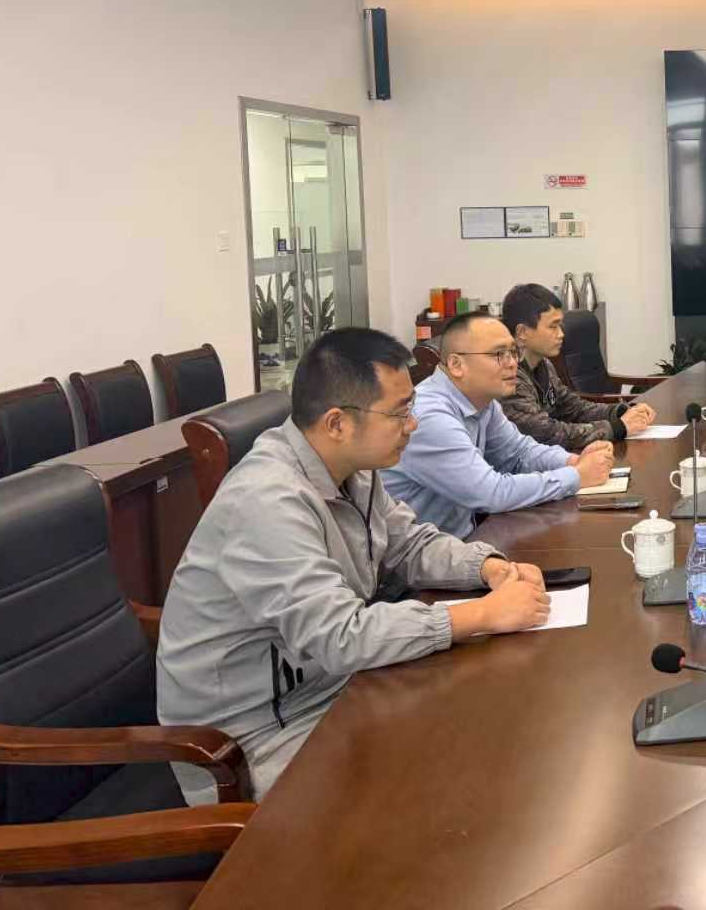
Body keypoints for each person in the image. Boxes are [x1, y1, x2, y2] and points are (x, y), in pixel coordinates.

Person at [156, 328, 550, 804]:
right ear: (337, 423)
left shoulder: (352, 470)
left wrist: (486, 567)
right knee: (443, 776)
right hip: (251, 741)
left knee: (478, 721)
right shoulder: (266, 500)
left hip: (336, 689)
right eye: (400, 413)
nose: (413, 425)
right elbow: (340, 636)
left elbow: (409, 544)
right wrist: (482, 615)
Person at [385, 313, 613, 538]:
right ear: (456, 364)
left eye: (513, 352)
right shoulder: (429, 416)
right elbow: (491, 493)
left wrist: (571, 461)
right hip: (423, 555)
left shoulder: (483, 401)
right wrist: (576, 476)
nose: (513, 363)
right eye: (498, 354)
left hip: (464, 541)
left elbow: (519, 453)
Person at [499, 282, 656, 449]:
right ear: (522, 332)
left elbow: (573, 408)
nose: (561, 334)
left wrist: (621, 411)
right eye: (553, 326)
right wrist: (618, 428)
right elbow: (546, 434)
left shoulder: (544, 364)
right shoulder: (508, 375)